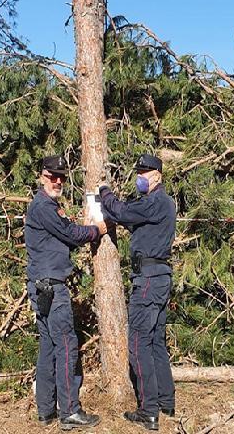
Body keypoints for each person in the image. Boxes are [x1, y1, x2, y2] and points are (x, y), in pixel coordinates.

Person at [25, 155, 106, 429]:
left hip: (41, 287)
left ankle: (46, 410)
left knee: (48, 348)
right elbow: (70, 234)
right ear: (41, 176)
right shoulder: (44, 206)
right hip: (51, 288)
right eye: (52, 176)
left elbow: (63, 237)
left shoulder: (47, 206)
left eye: (61, 177)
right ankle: (69, 411)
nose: (57, 181)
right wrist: (96, 231)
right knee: (67, 345)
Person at [98, 153, 176, 431]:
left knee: (139, 342)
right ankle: (166, 401)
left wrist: (104, 193)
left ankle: (148, 410)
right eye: (139, 172)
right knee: (155, 341)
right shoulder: (158, 205)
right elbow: (129, 220)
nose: (140, 177)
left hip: (148, 280)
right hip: (159, 277)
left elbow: (121, 212)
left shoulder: (155, 201)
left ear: (158, 176)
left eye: (145, 173)